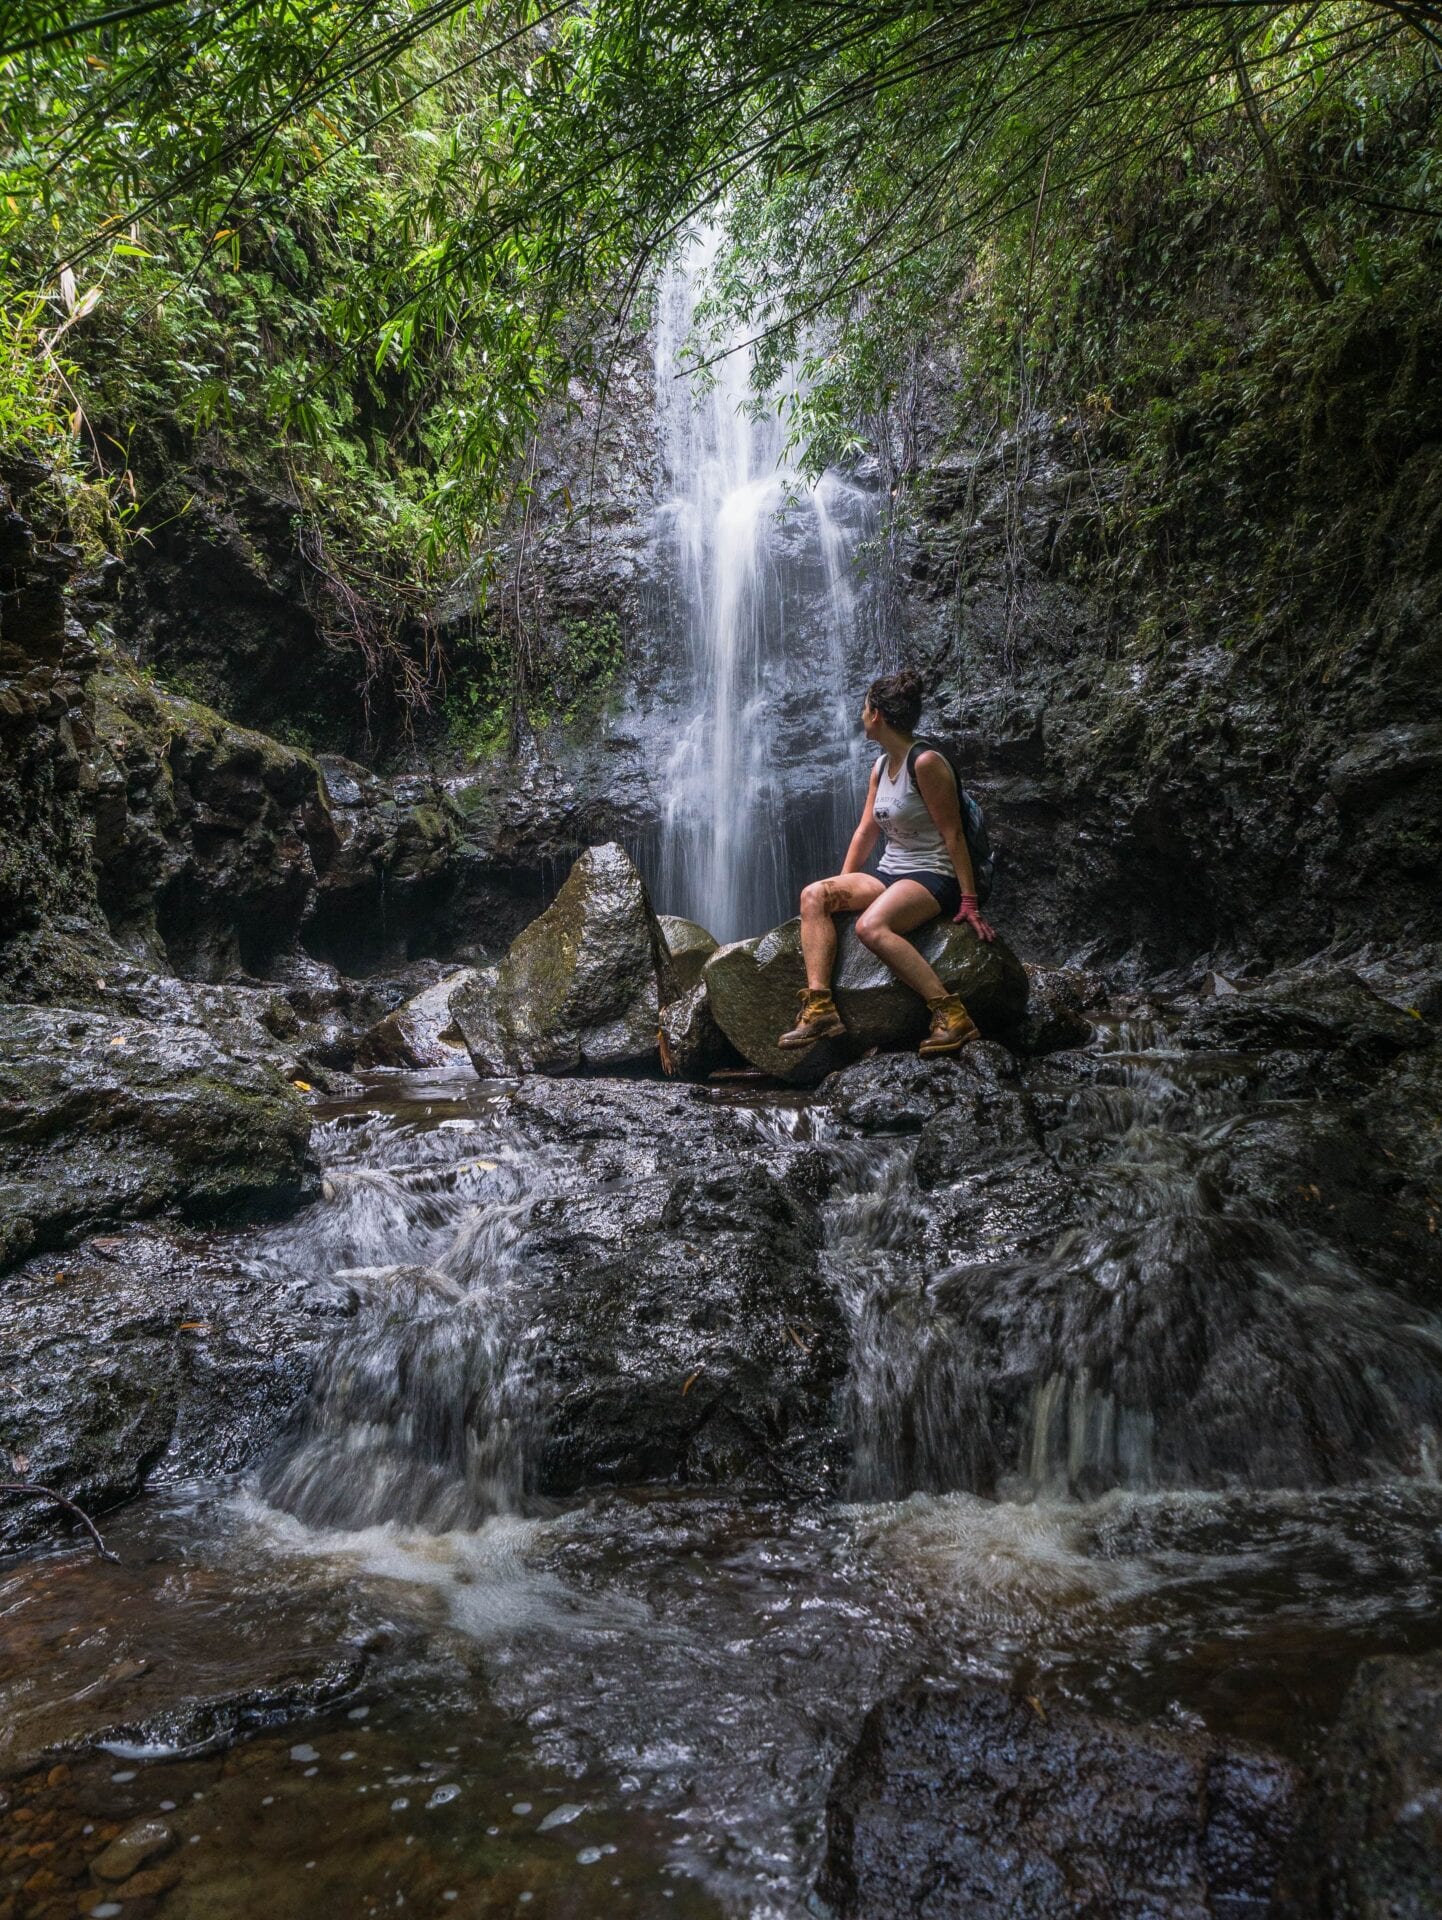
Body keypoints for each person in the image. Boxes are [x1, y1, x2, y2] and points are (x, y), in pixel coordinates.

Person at [777, 668, 996, 1055]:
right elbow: (866, 832)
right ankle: (820, 1009)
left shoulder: (926, 763)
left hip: (932, 873)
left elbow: (954, 834)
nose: (860, 715)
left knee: (871, 927)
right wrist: (840, 887)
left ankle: (952, 1014)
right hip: (890, 871)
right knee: (814, 896)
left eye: (864, 707)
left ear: (876, 715)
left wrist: (969, 900)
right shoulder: (880, 766)